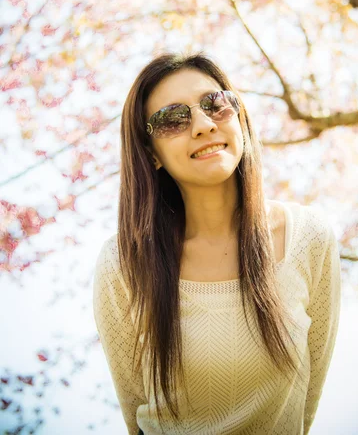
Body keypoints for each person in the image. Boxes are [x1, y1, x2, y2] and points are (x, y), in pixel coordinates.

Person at [92, 51, 341, 434]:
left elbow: (305, 402)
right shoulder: (125, 262)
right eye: (172, 119)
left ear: (239, 117)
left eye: (216, 104)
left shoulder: (308, 238)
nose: (204, 125)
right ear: (150, 154)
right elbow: (136, 410)